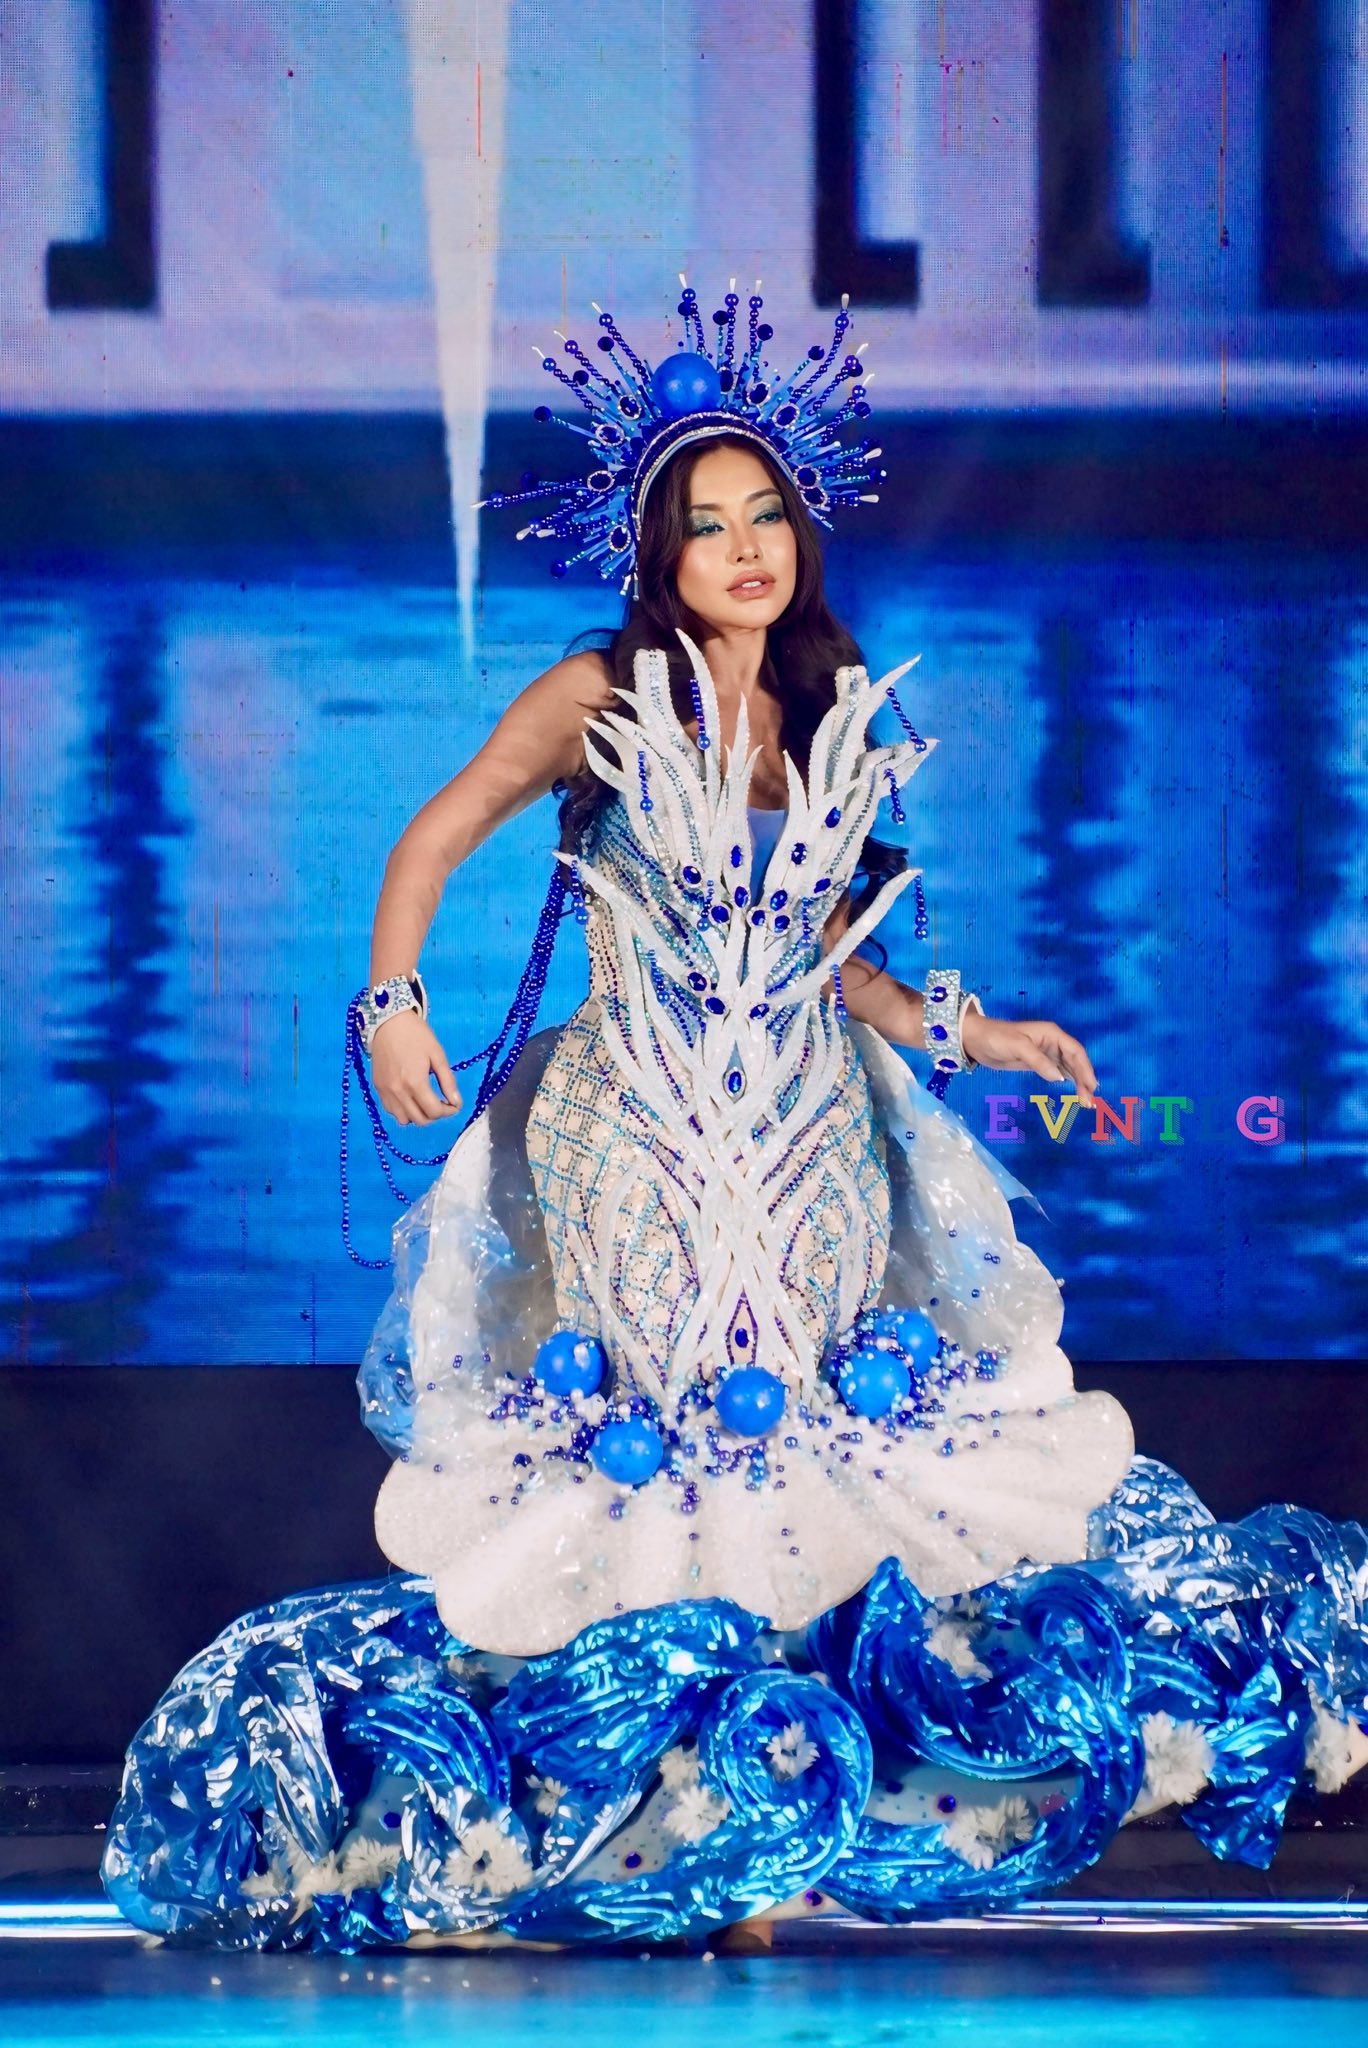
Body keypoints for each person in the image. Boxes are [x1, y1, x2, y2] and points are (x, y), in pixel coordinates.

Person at [102, 284, 1368, 1953]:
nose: (745, 548)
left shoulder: (825, 705)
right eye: (707, 525)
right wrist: (391, 1001)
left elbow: (840, 957)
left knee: (815, 1453)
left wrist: (977, 1032)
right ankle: (668, 1818)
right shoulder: (597, 693)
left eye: (766, 513)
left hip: (814, 1138)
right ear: (660, 553)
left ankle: (773, 1811)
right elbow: (435, 834)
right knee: (680, 1444)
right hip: (636, 1132)